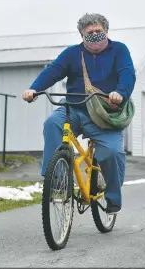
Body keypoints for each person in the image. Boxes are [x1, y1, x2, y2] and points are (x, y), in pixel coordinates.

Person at [22, 13, 136, 214]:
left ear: (106, 31)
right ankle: (57, 183)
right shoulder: (72, 53)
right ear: (81, 34)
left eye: (98, 31)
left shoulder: (119, 50)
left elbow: (127, 73)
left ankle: (113, 198)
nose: (94, 35)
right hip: (75, 108)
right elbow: (53, 71)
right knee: (52, 124)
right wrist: (34, 89)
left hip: (104, 115)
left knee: (111, 152)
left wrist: (120, 92)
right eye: (89, 32)